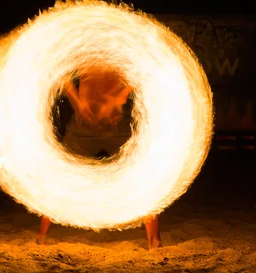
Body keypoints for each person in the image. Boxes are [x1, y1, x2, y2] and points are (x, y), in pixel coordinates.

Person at [36, 68, 163, 250]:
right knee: (59, 176)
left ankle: (154, 240)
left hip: (115, 123)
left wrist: (118, 98)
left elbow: (141, 72)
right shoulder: (81, 45)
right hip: (83, 125)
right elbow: (61, 74)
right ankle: (41, 236)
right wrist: (78, 103)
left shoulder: (120, 45)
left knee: (141, 175)